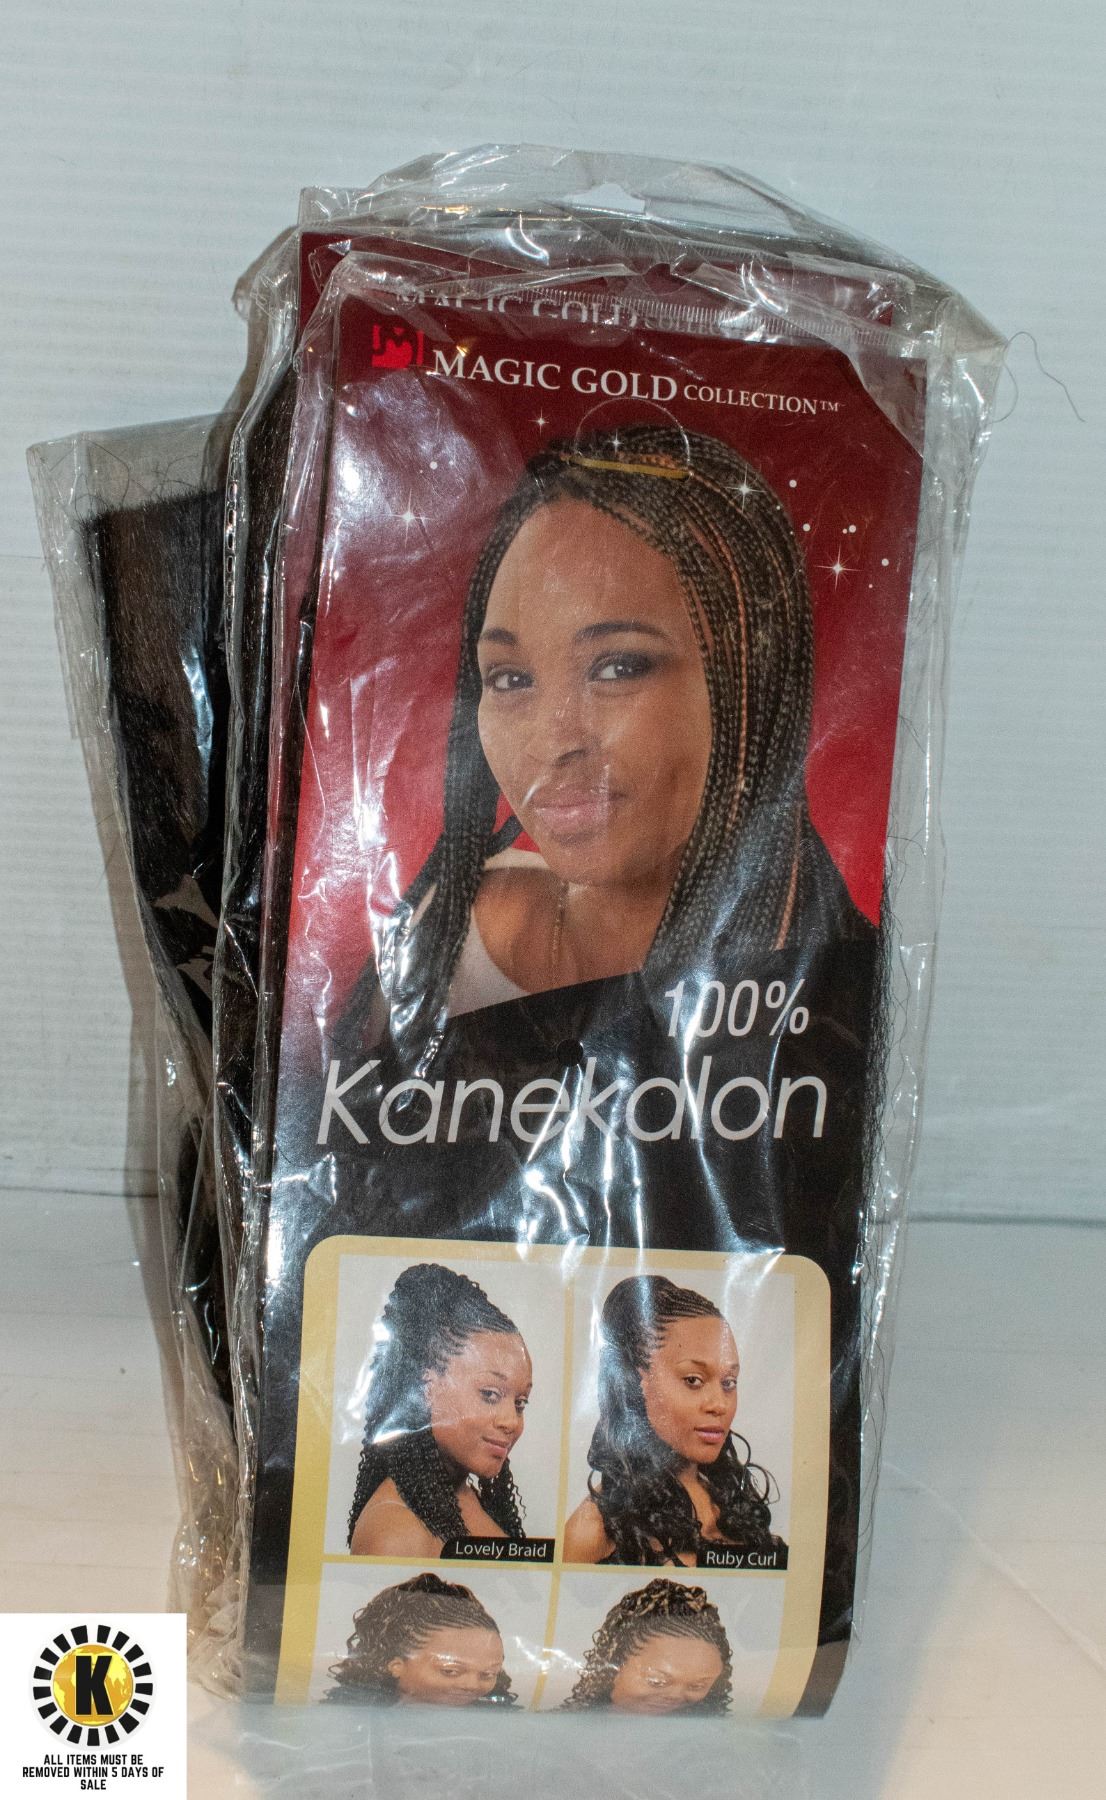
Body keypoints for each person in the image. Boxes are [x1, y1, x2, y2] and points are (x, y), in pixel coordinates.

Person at [357, 422, 871, 1048]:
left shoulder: (838, 998)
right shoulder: (441, 927)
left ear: (754, 682)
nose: (553, 744)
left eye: (619, 668)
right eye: (511, 678)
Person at [563, 1275, 786, 1565]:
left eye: (729, 1382)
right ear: (636, 1383)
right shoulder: (592, 1531)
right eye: (693, 1380)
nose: (719, 1404)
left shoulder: (732, 1502)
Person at [347, 1263, 531, 1555]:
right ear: (426, 1387)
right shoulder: (394, 1533)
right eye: (490, 1394)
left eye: (520, 1403)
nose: (511, 1422)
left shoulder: (467, 1498)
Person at [326, 1572, 516, 1707]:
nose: (472, 1685)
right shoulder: (347, 1715)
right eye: (450, 1671)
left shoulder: (499, 1719)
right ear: (395, 1665)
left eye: (488, 1674)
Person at [561, 1579, 731, 1715]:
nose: (675, 1696)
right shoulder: (560, 1732)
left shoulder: (712, 1741)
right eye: (657, 1682)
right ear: (613, 1666)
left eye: (697, 1687)